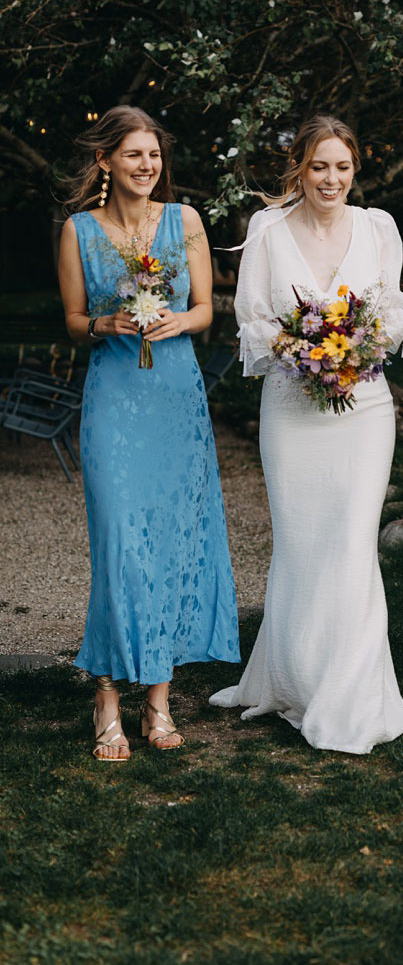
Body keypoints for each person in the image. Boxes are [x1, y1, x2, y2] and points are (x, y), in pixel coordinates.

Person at [209, 115, 403, 755]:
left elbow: (392, 315)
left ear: (356, 170)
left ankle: (349, 696)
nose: (331, 179)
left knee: (353, 543)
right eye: (319, 166)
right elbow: (252, 321)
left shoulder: (379, 228)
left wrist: (354, 348)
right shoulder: (267, 229)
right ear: (299, 167)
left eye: (343, 167)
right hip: (292, 409)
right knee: (301, 544)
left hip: (365, 412)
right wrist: (306, 353)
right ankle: (289, 677)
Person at [57, 105, 240, 760]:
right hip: (112, 398)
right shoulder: (78, 231)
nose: (146, 166)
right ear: (106, 160)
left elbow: (206, 308)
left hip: (175, 399)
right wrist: (105, 326)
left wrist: (177, 323)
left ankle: (158, 702)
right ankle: (106, 693)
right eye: (133, 155)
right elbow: (75, 319)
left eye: (154, 155)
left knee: (171, 540)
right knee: (118, 543)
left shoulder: (185, 221)